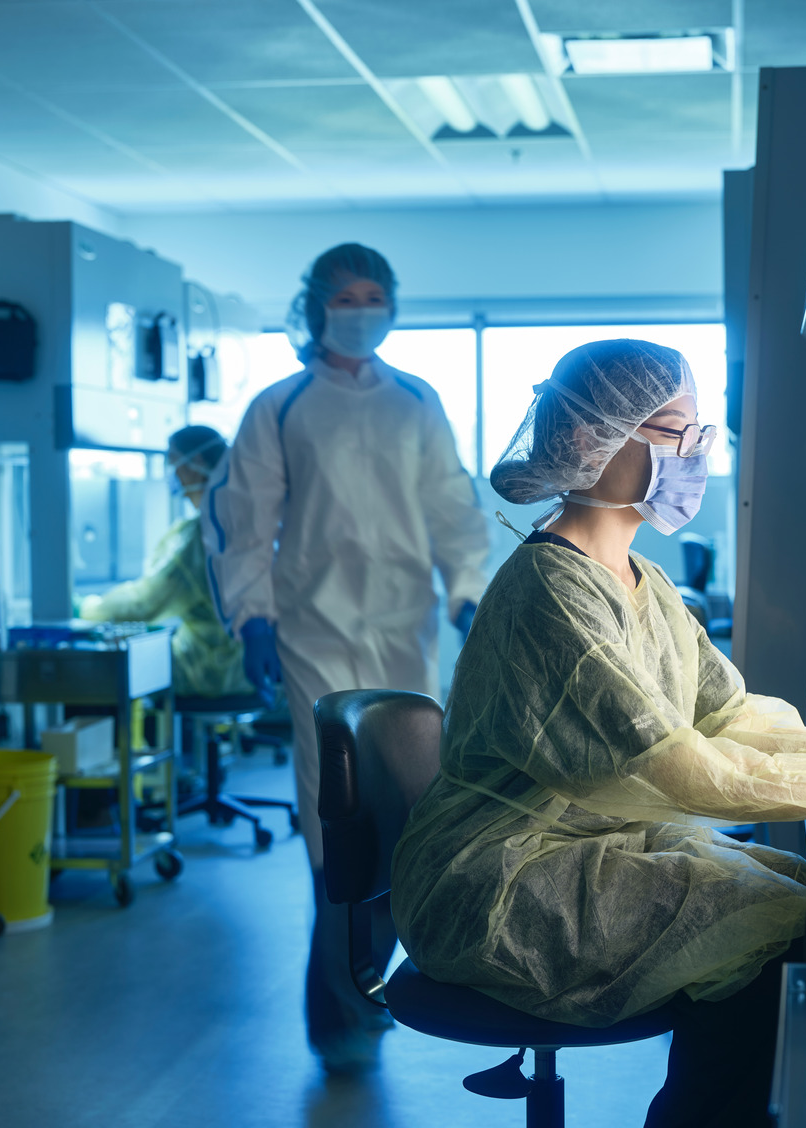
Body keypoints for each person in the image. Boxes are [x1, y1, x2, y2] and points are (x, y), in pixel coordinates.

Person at [391, 339, 806, 1126]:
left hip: (583, 846)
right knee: (772, 931)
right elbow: (681, 770)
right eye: (676, 431)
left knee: (799, 896)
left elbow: (730, 716)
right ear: (591, 443)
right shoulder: (551, 592)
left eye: (701, 431)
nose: (697, 452)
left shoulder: (646, 582)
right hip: (496, 877)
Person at [204, 243, 489, 1071]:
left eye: (376, 295)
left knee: (409, 813)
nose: (363, 307)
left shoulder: (416, 400)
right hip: (314, 634)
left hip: (407, 634)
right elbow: (243, 520)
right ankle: (337, 1006)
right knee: (335, 820)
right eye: (348, 295)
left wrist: (468, 589)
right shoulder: (281, 405)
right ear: (317, 305)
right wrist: (252, 618)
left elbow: (452, 507)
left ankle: (369, 985)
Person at [79, 425, 251, 699]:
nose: (174, 477)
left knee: (120, 678)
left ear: (196, 463)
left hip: (211, 671)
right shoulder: (245, 518)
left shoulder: (201, 535)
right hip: (248, 669)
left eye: (175, 465)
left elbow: (144, 604)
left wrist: (88, 608)